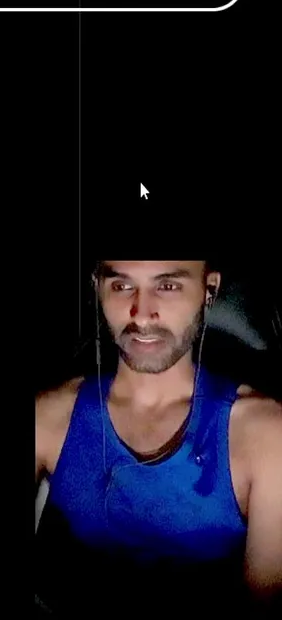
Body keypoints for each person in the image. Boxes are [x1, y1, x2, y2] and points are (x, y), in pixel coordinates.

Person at [34, 260, 281, 615]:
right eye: (122, 286)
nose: (142, 313)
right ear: (98, 287)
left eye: (167, 286)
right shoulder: (48, 415)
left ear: (208, 291)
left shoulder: (265, 434)